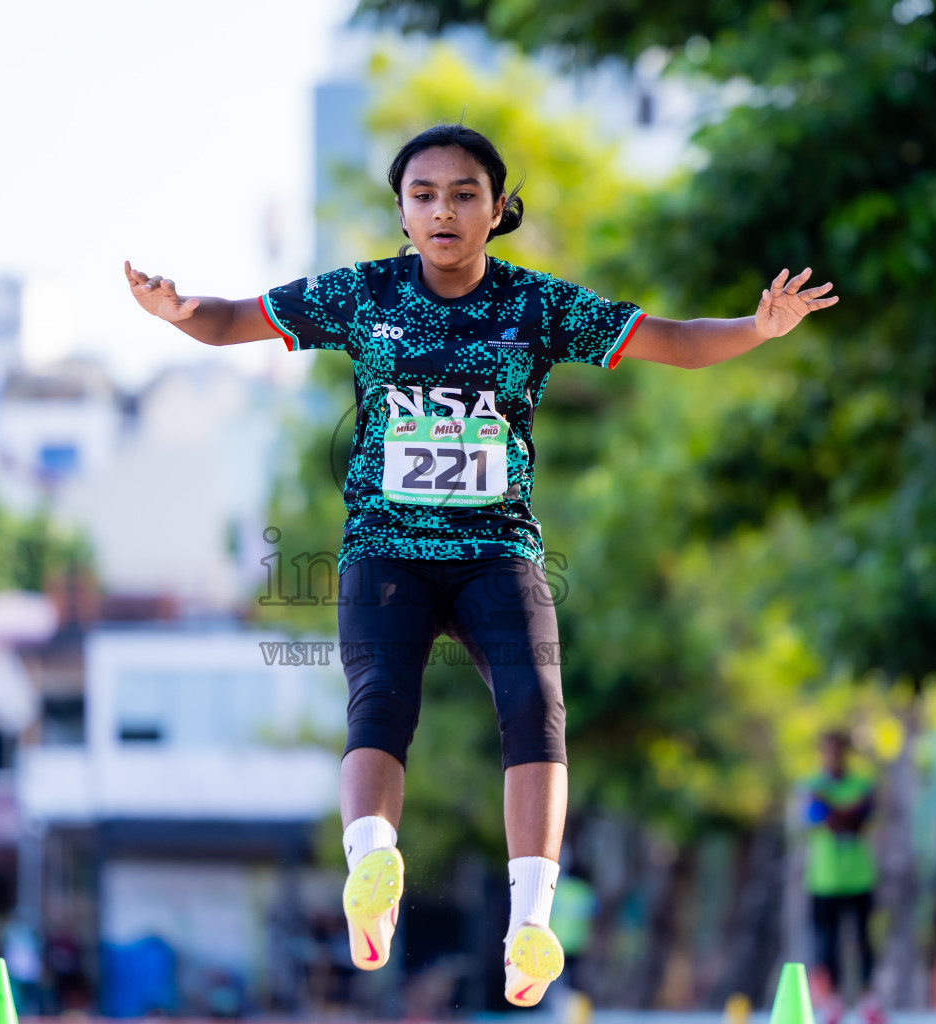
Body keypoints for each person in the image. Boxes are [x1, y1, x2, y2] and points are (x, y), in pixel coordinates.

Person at [124, 123, 838, 1007]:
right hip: (387, 548)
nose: (444, 210)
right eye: (423, 195)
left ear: (498, 210)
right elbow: (233, 321)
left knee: (535, 705)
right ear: (402, 212)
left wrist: (758, 328)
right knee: (379, 700)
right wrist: (176, 309)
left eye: (465, 194)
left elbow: (675, 339)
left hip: (497, 549)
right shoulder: (362, 294)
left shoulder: (535, 307)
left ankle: (528, 924)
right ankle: (371, 869)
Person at [803, 731, 882, 1024]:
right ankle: (831, 1002)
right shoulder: (811, 785)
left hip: (859, 877)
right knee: (826, 943)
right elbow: (824, 819)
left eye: (838, 750)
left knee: (864, 941)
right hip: (824, 879)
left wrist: (833, 806)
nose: (833, 756)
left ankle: (867, 1000)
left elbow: (860, 821)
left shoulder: (860, 784)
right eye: (828, 750)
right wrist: (848, 810)